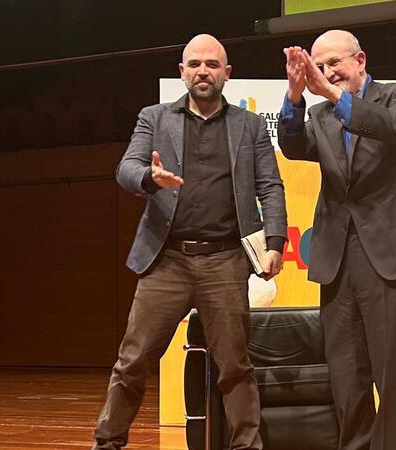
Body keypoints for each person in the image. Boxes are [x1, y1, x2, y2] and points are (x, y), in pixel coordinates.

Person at [92, 34, 287, 450]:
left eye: (212, 65)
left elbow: (270, 186)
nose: (203, 71)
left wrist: (275, 242)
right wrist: (150, 177)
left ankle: (246, 446)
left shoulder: (248, 125)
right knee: (133, 361)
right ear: (182, 72)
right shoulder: (154, 118)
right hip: (168, 261)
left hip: (226, 261)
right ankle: (107, 443)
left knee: (235, 366)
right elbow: (126, 168)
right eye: (195, 63)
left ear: (226, 74)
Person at [277, 30, 396, 450]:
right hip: (338, 257)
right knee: (346, 378)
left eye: (334, 63)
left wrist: (334, 97)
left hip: (395, 255)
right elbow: (294, 146)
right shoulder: (319, 114)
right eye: (319, 66)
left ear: (361, 60)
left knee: (393, 377)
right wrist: (296, 97)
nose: (328, 72)